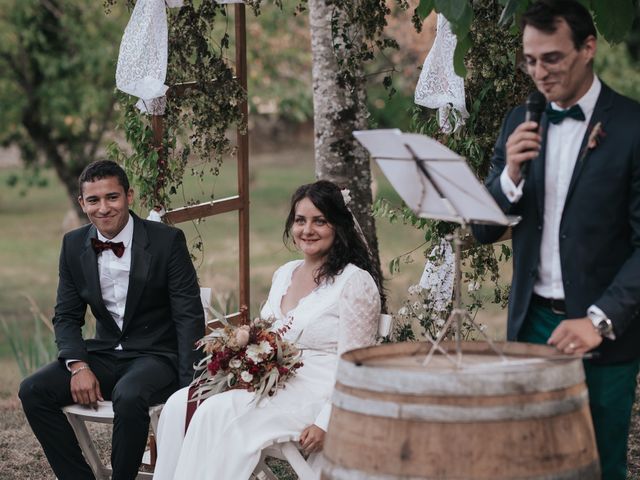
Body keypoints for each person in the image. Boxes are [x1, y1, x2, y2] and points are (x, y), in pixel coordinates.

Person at [472, 1, 640, 478]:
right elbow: (484, 231)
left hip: (602, 332)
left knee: (599, 462)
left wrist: (599, 320)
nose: (539, 73)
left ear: (587, 48)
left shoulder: (632, 127)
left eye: (552, 58)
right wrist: (509, 174)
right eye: (530, 60)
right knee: (530, 460)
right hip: (531, 325)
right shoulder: (517, 122)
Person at [153, 180, 384, 479]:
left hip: (317, 390)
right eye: (300, 220)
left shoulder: (354, 282)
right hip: (274, 380)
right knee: (178, 403)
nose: (307, 230)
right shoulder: (285, 272)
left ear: (338, 226)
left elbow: (357, 365)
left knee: (219, 412)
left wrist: (328, 420)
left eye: (320, 221)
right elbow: (268, 332)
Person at [19, 160, 205, 480]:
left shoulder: (166, 241)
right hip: (105, 353)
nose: (103, 208)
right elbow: (66, 315)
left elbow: (189, 316)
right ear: (82, 203)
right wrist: (78, 365)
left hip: (157, 356)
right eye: (93, 200)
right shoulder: (73, 244)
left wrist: (191, 390)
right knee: (33, 390)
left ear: (129, 196)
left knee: (129, 393)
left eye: (112, 197)